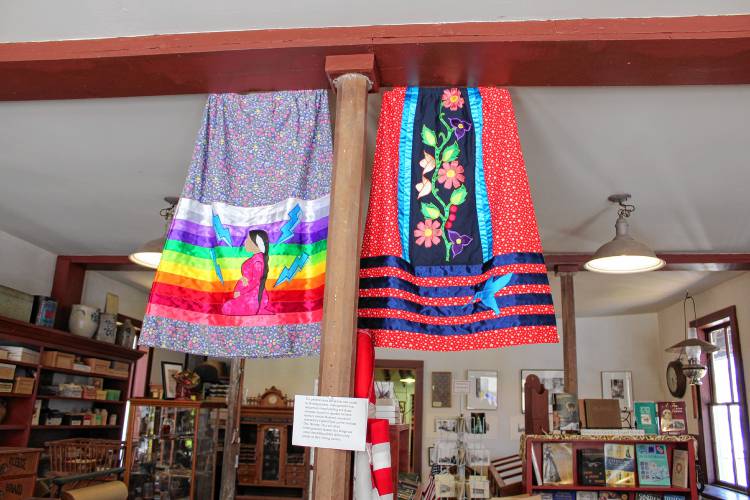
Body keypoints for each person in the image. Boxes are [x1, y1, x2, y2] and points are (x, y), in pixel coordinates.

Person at [222, 230, 272, 316]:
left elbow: (256, 282)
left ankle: (255, 308)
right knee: (226, 307)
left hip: (252, 298)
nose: (245, 242)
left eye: (248, 240)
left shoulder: (257, 262)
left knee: (227, 308)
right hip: (248, 296)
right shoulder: (256, 258)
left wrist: (241, 292)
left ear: (257, 244)